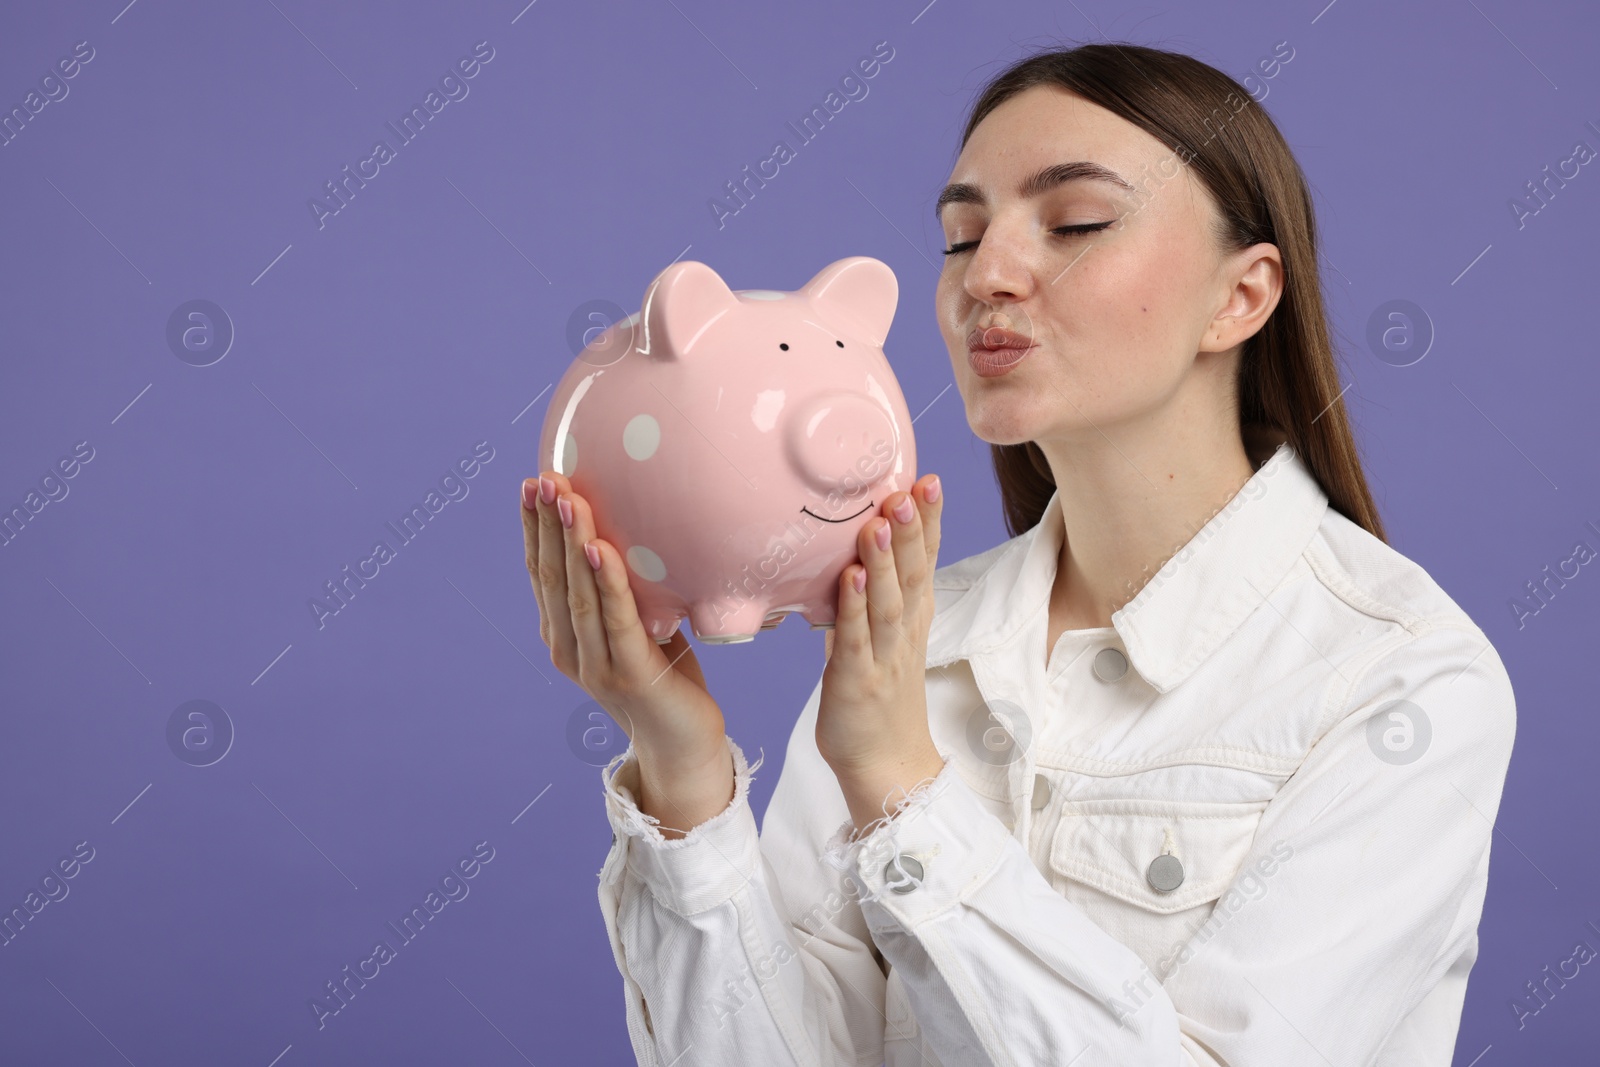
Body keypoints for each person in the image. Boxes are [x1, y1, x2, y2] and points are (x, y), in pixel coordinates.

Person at [519, 41, 1517, 1067]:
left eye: (1074, 223)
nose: (985, 274)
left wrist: (904, 789)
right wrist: (681, 769)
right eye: (960, 236)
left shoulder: (1402, 681)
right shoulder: (907, 642)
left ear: (1242, 296)